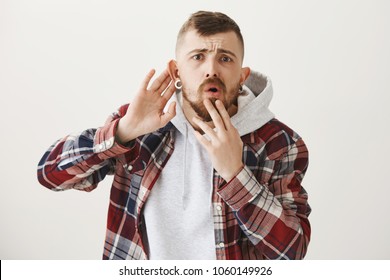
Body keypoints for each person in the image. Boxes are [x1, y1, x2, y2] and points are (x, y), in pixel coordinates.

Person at [37, 11, 311, 260]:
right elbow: (49, 174)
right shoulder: (141, 125)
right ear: (176, 71)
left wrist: (236, 174)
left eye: (225, 58)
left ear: (242, 76)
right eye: (198, 56)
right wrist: (122, 132)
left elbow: (292, 252)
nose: (211, 69)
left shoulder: (279, 142)